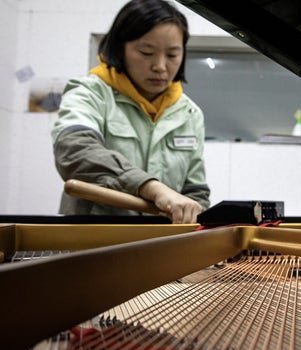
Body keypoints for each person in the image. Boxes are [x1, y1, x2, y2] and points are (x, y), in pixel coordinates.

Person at [52, 0, 210, 224]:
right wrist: (152, 189)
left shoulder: (190, 113)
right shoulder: (90, 92)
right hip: (92, 241)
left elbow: (196, 191)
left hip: (163, 244)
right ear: (120, 48)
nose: (160, 66)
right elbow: (75, 152)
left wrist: (191, 213)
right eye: (147, 53)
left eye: (173, 55)